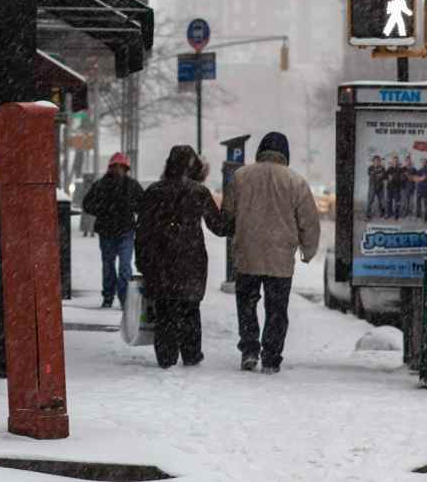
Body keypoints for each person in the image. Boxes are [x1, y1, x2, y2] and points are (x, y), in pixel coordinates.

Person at [223, 131, 320, 374]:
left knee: (247, 304)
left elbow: (228, 213)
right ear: (285, 153)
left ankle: (249, 349)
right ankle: (271, 357)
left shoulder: (240, 176)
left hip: (248, 253)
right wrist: (308, 250)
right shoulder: (295, 181)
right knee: (277, 309)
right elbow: (308, 220)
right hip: (280, 256)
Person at [136, 145, 232, 368]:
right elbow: (218, 226)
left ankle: (166, 356)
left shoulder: (154, 191)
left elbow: (143, 230)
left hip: (161, 260)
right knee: (190, 308)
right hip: (191, 259)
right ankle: (191, 353)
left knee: (165, 309)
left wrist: (142, 259)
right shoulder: (198, 192)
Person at [82, 152, 144, 308]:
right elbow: (88, 204)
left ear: (125, 168)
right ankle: (111, 297)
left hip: (122, 231)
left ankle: (121, 298)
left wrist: (104, 210)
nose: (118, 170)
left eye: (120, 167)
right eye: (116, 167)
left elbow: (142, 205)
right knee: (110, 266)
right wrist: (104, 210)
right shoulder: (102, 185)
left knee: (123, 267)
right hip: (110, 232)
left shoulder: (130, 185)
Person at [365, 154, 386, 220]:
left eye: (378, 160)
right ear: (373, 161)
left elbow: (384, 176)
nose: (377, 162)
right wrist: (378, 174)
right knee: (370, 201)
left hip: (380, 187)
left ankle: (382, 214)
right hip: (372, 187)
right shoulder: (370, 167)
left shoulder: (383, 168)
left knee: (381, 201)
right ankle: (368, 215)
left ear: (379, 161)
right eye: (375, 160)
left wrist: (377, 174)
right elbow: (371, 174)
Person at [385, 154, 404, 221]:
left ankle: (396, 215)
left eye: (396, 161)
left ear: (398, 162)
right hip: (389, 188)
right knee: (388, 202)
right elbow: (385, 176)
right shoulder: (389, 168)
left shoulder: (400, 169)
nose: (395, 162)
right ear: (392, 161)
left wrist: (396, 178)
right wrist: (388, 178)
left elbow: (402, 178)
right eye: (394, 161)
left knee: (397, 203)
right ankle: (389, 214)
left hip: (397, 189)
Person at [414, 158, 427, 223]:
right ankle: (418, 216)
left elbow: (423, 178)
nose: (423, 163)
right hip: (419, 189)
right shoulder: (420, 170)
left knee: (426, 204)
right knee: (418, 203)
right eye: (423, 162)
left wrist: (419, 178)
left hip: (425, 190)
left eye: (425, 162)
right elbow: (415, 176)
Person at [402, 154, 417, 219]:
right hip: (405, 187)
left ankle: (411, 213)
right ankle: (405, 212)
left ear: (411, 161)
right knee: (405, 201)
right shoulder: (403, 169)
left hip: (412, 187)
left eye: (409, 160)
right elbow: (401, 178)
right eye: (407, 161)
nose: (408, 162)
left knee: (411, 201)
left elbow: (415, 178)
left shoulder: (414, 169)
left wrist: (408, 175)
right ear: (405, 161)